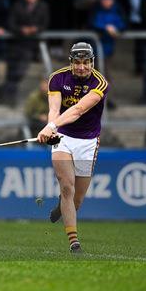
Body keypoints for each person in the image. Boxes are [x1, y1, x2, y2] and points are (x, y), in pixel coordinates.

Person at [37, 42, 109, 253]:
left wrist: (51, 125)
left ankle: (62, 207)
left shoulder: (100, 83)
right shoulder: (57, 78)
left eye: (86, 62)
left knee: (76, 200)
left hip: (88, 142)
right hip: (64, 138)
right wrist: (52, 128)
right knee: (66, 186)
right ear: (71, 63)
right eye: (77, 63)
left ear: (92, 62)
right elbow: (54, 109)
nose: (81, 67)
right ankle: (74, 242)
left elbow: (78, 110)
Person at [2, 0, 49, 104]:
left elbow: (45, 23)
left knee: (20, 71)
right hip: (15, 43)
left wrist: (35, 29)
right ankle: (9, 98)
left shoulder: (43, 7)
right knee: (11, 71)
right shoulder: (17, 6)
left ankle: (4, 90)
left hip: (30, 45)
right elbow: (10, 23)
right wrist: (21, 29)